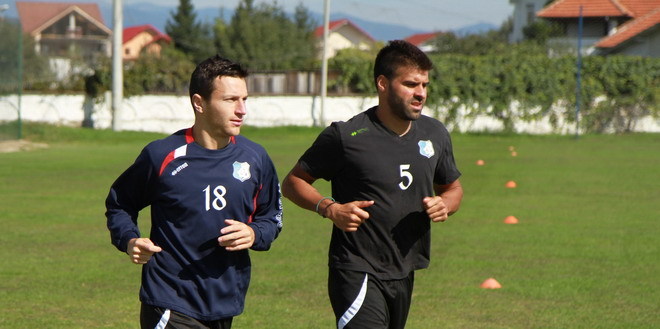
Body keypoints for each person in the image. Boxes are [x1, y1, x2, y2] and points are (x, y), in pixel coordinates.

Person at [281, 40, 463, 329]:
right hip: (356, 268)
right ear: (382, 83)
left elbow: (452, 189)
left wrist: (446, 205)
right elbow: (292, 183)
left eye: (425, 85)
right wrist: (330, 209)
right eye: (411, 84)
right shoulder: (347, 136)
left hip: (404, 269)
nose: (420, 94)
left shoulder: (435, 133)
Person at [105, 55, 283, 329]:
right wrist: (129, 240)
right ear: (199, 103)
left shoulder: (255, 158)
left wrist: (254, 233)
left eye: (244, 99)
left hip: (225, 303)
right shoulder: (162, 156)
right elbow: (120, 204)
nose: (241, 109)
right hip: (170, 300)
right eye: (230, 100)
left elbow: (272, 217)